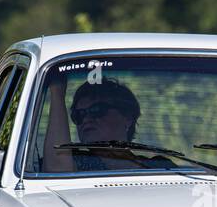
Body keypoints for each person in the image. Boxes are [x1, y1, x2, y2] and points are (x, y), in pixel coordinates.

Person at [41, 73, 170, 171]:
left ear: (128, 118)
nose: (86, 119)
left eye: (97, 110)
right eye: (79, 115)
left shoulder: (160, 166)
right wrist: (57, 92)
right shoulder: (78, 162)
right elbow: (56, 167)